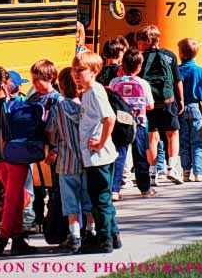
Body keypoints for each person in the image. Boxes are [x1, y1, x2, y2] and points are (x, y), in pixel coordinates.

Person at [0, 66, 37, 256]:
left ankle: (18, 239)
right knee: (14, 200)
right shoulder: (12, 104)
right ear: (4, 84)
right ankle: (4, 239)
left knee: (16, 198)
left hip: (0, 160)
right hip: (15, 158)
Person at [72, 51, 121, 254]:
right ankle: (114, 235)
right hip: (94, 156)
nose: (76, 74)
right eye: (74, 70)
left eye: (80, 70)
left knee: (99, 199)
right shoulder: (87, 92)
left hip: (98, 157)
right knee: (103, 198)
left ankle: (104, 239)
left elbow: (109, 118)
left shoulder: (95, 92)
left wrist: (101, 142)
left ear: (94, 71)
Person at [46, 67, 95, 253]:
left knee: (70, 199)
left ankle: (74, 235)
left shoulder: (58, 108)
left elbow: (52, 134)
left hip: (66, 161)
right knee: (87, 197)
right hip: (87, 159)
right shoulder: (85, 106)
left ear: (62, 87)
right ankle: (91, 231)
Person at [136, 25, 184, 185]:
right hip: (168, 101)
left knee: (152, 137)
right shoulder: (170, 56)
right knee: (173, 134)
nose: (138, 46)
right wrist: (181, 100)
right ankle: (171, 168)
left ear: (148, 41)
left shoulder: (140, 58)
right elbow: (178, 80)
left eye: (140, 42)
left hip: (149, 104)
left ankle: (152, 174)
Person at [109, 48, 155, 199]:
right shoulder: (143, 84)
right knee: (140, 156)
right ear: (139, 67)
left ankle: (114, 190)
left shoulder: (114, 82)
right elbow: (150, 105)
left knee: (119, 156)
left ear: (123, 64)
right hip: (139, 124)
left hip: (120, 125)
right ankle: (145, 189)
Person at [28, 59, 62, 228]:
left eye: (37, 80)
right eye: (33, 80)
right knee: (37, 186)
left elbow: (61, 128)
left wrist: (56, 149)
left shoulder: (57, 99)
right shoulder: (33, 98)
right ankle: (37, 218)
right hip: (35, 148)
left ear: (50, 78)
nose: (34, 83)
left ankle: (52, 219)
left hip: (51, 148)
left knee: (53, 186)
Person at [178, 38, 202, 182]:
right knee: (197, 142)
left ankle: (186, 173)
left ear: (181, 54)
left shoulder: (177, 70)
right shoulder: (200, 71)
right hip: (195, 109)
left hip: (180, 109)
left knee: (184, 142)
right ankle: (198, 173)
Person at [7, 70, 36, 234]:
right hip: (24, 150)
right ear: (17, 87)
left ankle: (9, 221)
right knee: (27, 187)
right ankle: (26, 220)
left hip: (7, 153)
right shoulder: (23, 102)